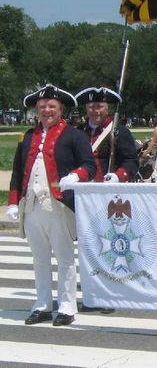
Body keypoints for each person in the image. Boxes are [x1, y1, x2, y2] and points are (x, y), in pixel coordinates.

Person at [6, 84, 96, 327]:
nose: (47, 110)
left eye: (52, 106)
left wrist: (75, 175)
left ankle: (67, 305)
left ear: (61, 109)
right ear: (37, 109)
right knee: (39, 258)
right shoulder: (27, 136)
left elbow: (90, 166)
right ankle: (43, 304)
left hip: (59, 206)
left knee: (65, 258)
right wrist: (13, 202)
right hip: (32, 207)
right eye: (43, 106)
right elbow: (17, 172)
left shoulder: (74, 135)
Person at [74, 87, 138, 183]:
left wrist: (118, 176)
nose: (96, 111)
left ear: (107, 108)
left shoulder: (119, 131)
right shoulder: (79, 131)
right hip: (83, 189)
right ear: (86, 109)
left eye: (100, 107)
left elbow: (131, 161)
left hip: (110, 187)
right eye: (91, 107)